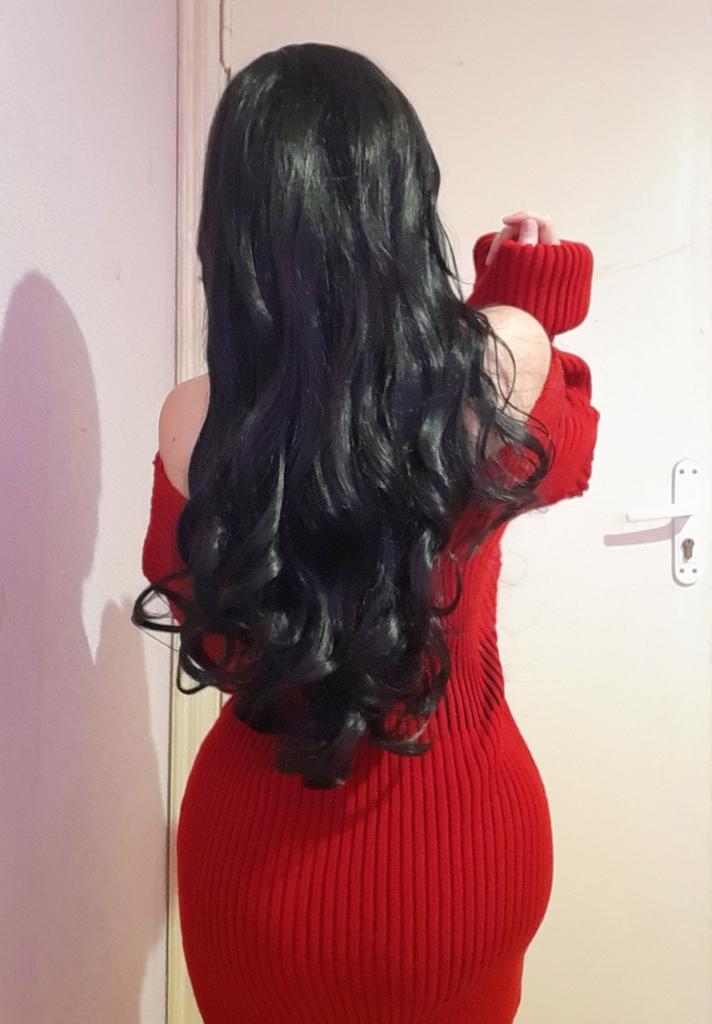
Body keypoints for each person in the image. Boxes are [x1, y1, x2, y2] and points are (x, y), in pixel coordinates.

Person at [134, 42, 599, 1024]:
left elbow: (211, 630)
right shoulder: (499, 362)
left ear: (233, 228)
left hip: (254, 882)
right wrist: (529, 296)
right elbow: (563, 459)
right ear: (404, 201)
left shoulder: (191, 422)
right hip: (457, 867)